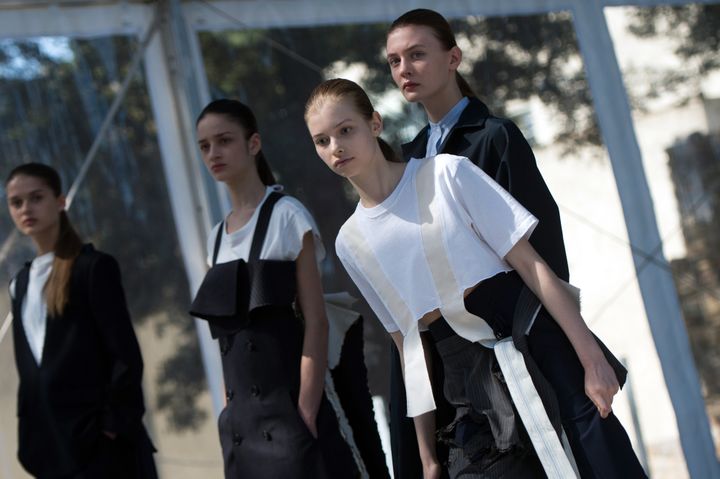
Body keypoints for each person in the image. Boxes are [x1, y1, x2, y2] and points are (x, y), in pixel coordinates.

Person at [304, 78, 646, 478]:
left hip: (538, 352)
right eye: (322, 140)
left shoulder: (447, 173)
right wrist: (428, 457)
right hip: (467, 394)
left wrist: (593, 361)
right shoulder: (350, 243)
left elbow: (533, 267)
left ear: (375, 124)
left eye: (346, 130)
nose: (336, 148)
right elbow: (408, 349)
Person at [384, 8, 643, 479]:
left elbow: (545, 256)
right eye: (395, 61)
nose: (405, 69)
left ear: (454, 58)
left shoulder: (495, 137)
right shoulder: (410, 161)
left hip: (530, 340)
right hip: (465, 364)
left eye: (418, 54)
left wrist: (585, 356)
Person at [189, 99, 358, 478]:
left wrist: (307, 411)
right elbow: (226, 342)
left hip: (288, 416)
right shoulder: (215, 236)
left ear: (253, 144)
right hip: (239, 429)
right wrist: (226, 413)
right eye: (204, 146)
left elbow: (316, 321)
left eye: (224, 141)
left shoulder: (287, 215)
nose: (213, 153)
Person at [5, 163, 157, 479]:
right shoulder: (19, 284)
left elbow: (125, 356)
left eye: (36, 198)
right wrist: (30, 443)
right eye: (16, 202)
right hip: (54, 456)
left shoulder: (92, 268)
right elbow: (30, 371)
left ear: (60, 201)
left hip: (105, 455)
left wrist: (110, 427)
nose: (26, 209)